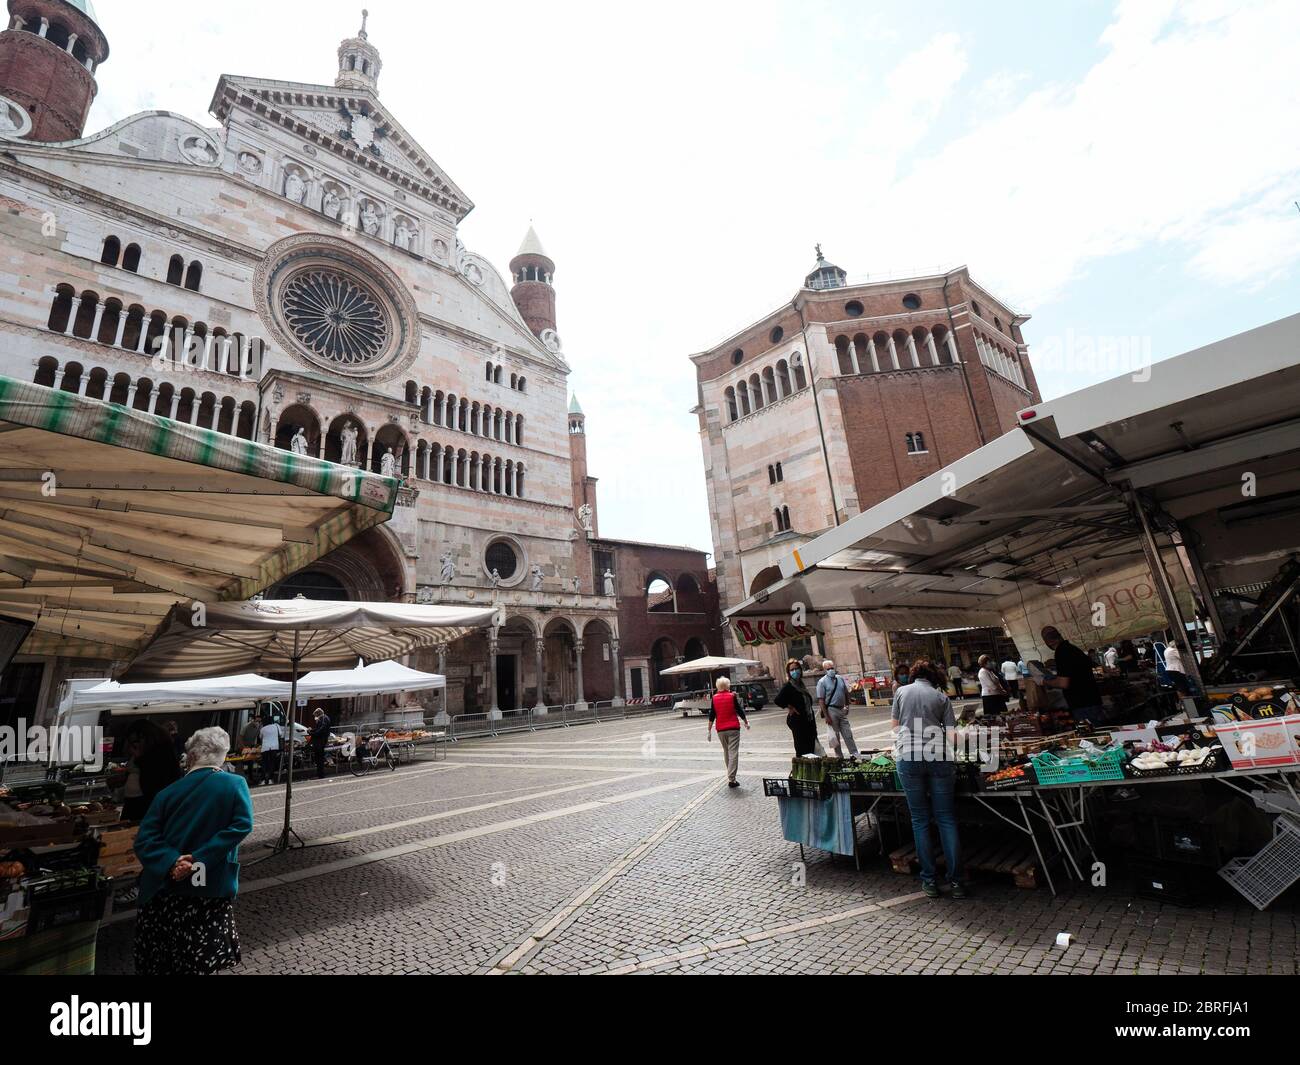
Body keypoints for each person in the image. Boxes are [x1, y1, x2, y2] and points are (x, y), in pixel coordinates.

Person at [132, 727, 254, 975]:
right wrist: (197, 860)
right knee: (199, 962)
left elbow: (144, 839)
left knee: (160, 964)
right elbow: (242, 825)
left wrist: (173, 862)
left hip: (162, 890)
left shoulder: (167, 793)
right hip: (207, 887)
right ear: (223, 756)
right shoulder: (234, 784)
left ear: (190, 757)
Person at [891, 659, 964, 899]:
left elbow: (895, 727)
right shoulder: (941, 698)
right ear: (935, 678)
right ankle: (956, 882)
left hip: (909, 758)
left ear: (913, 674)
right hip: (938, 756)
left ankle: (930, 880)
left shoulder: (901, 692)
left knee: (920, 819)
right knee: (946, 819)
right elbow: (952, 737)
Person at [1040, 626, 1104, 726]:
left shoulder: (1061, 651)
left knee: (1092, 735)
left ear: (1048, 642)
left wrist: (1045, 682)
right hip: (1092, 700)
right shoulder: (1072, 648)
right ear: (1059, 635)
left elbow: (1063, 683)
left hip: (1083, 704)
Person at [121, 720, 183, 822]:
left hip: (146, 811)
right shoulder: (142, 757)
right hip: (133, 807)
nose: (131, 748)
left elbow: (152, 787)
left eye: (135, 743)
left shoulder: (160, 758)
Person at [707, 677, 750, 787]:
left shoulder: (714, 698)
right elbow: (739, 710)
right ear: (727, 685)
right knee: (733, 752)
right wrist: (746, 722)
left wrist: (709, 729)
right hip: (733, 728)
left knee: (726, 751)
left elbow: (712, 714)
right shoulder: (732, 696)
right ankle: (732, 778)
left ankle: (731, 776)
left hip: (721, 730)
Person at [774, 659, 818, 756]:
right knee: (802, 749)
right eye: (792, 670)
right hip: (798, 722)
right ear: (789, 673)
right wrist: (790, 706)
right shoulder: (788, 686)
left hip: (808, 720)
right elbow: (777, 700)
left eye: (796, 668)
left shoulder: (801, 685)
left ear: (800, 670)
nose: (795, 671)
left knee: (811, 748)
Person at [816, 660, 858, 758]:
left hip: (841, 709)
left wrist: (847, 706)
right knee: (835, 737)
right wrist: (826, 716)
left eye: (832, 668)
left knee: (848, 734)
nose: (831, 670)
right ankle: (839, 757)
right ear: (825, 670)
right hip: (831, 710)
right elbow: (821, 700)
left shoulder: (840, 678)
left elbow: (846, 692)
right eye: (828, 669)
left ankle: (855, 754)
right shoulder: (822, 682)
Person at [308, 707, 332, 779]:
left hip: (320, 741)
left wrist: (311, 733)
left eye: (315, 715)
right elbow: (318, 729)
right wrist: (311, 730)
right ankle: (319, 774)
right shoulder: (324, 718)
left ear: (318, 714)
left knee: (319, 758)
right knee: (319, 758)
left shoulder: (324, 719)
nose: (315, 717)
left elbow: (321, 730)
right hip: (320, 741)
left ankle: (321, 775)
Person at [259, 715, 282, 785]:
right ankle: (270, 779)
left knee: (264, 764)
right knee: (272, 763)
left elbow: (260, 737)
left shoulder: (263, 729)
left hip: (265, 748)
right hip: (274, 747)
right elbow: (280, 735)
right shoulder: (276, 726)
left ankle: (263, 780)